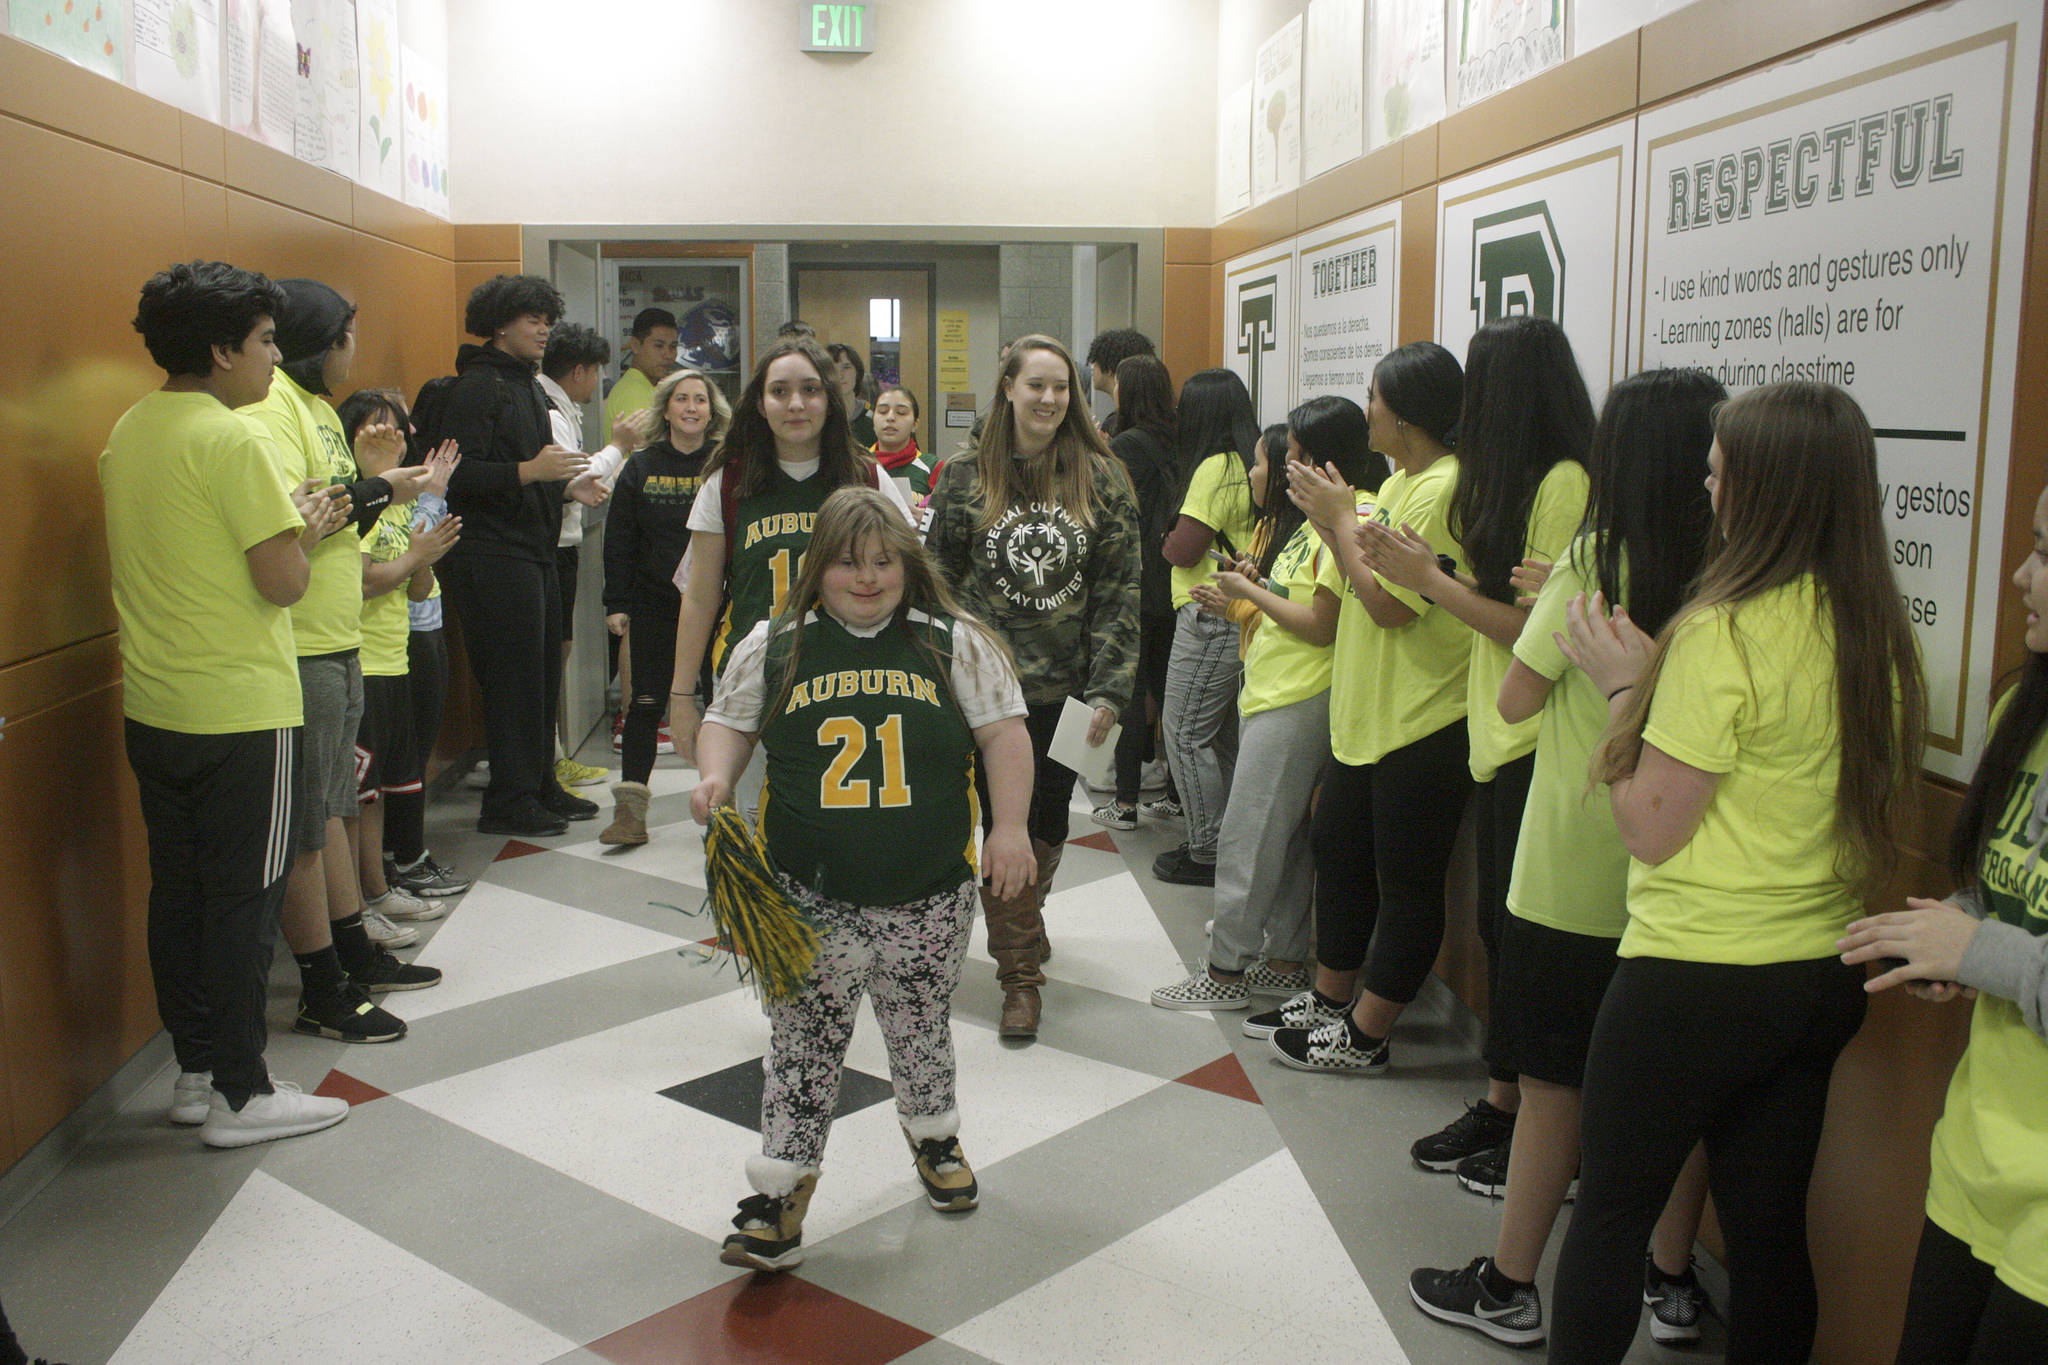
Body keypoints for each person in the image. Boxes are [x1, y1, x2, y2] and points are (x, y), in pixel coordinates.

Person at [1548, 381, 1926, 1361]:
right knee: (1765, 1239)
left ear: (1756, 491)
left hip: (1694, 976)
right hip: (1815, 975)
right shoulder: (1871, 632)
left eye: (1716, 472)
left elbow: (1649, 830)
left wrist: (1627, 685)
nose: (1703, 484)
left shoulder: (1721, 634)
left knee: (1606, 1219)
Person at [1407, 368, 1724, 1347]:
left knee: (1552, 1094)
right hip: (1682, 885)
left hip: (1567, 870)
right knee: (1676, 1104)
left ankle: (1508, 1284)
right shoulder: (1732, 574)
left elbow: (1513, 698)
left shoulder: (1594, 559)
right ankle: (1668, 1283)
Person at [691, 486, 1035, 1273]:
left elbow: (1004, 735)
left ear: (910, 565)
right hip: (809, 897)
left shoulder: (954, 641)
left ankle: (934, 1132)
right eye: (848, 564)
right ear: (819, 569)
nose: (868, 578)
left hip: (930, 890)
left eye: (885, 562)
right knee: (803, 1043)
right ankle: (782, 1190)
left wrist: (1009, 827)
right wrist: (715, 777)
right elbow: (729, 722)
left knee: (919, 1024)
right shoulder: (776, 643)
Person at [102, 260, 352, 1147]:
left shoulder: (131, 429)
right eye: (265, 342)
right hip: (243, 710)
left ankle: (197, 1070)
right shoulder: (232, 439)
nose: (275, 360)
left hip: (156, 703)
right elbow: (283, 581)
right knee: (246, 899)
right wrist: (308, 525)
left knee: (181, 893)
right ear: (221, 348)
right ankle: (245, 1095)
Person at [1363, 316, 1594, 1192]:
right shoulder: (1513, 482)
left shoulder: (1565, 482)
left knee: (1525, 942)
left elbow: (1537, 632)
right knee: (1500, 927)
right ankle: (1504, 1102)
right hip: (1498, 737)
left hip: (1540, 739)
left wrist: (1431, 582)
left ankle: (1526, 1118)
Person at [1837, 482, 2048, 1363]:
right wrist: (1952, 936)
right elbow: (2003, 900)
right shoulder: (2024, 711)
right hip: (1974, 1165)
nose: (2020, 572)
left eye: (2045, 551)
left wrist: (1984, 951)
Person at [1256, 342, 1468, 1074]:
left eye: (1374, 396)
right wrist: (1331, 520)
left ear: (1403, 412)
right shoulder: (1406, 481)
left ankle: (1368, 1034)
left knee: (1405, 883)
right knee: (1338, 851)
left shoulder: (1443, 487)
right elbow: (1355, 576)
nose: (1366, 408)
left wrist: (1341, 521)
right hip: (1366, 719)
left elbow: (1386, 608)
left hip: (1423, 720)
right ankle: (1330, 995)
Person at [241, 279, 440, 1043]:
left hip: (341, 637)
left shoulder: (322, 412)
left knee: (333, 810)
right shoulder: (273, 413)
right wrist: (375, 488)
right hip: (301, 648)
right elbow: (300, 518)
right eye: (349, 334)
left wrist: (378, 489)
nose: (353, 350)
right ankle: (322, 984)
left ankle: (353, 947)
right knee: (308, 823)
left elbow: (336, 514)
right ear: (322, 339)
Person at [926, 334, 1141, 1039]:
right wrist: (949, 661)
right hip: (987, 694)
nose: (1050, 399)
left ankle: (1023, 917)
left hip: (1073, 693)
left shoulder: (1103, 479)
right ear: (1009, 389)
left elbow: (1120, 592)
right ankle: (1019, 976)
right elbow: (939, 579)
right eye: (1036, 385)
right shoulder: (963, 476)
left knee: (1049, 823)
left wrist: (1110, 690)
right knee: (1001, 820)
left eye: (1062, 388)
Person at [1150, 396, 1372, 1010]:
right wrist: (1259, 585)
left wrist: (1250, 590)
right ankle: (1279, 960)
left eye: (1279, 459)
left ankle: (1225, 972)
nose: (1262, 472)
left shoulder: (1346, 520)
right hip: (1277, 689)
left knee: (1248, 838)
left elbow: (1321, 623)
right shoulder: (1310, 526)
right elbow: (1297, 597)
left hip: (1300, 695)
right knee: (1289, 841)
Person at [669, 338, 914, 766]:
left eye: (811, 390)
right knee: (746, 822)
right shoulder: (727, 482)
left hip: (847, 673)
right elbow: (700, 596)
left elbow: (909, 577)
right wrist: (681, 695)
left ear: (831, 400)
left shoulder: (866, 476)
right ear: (760, 405)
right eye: (780, 391)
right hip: (748, 680)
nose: (796, 404)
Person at [436, 274, 602, 837]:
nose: (543, 330)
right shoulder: (478, 386)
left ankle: (538, 782)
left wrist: (563, 486)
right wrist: (533, 473)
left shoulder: (527, 384)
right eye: (533, 319)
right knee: (512, 680)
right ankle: (508, 797)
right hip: (490, 553)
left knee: (539, 678)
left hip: (532, 548)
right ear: (501, 323)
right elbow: (455, 474)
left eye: (547, 320)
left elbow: (531, 470)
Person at [334, 390, 462, 951]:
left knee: (383, 788)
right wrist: (416, 557)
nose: (391, 440)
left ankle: (381, 889)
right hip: (359, 660)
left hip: (396, 657)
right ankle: (360, 904)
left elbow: (418, 587)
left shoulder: (403, 505)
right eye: (374, 432)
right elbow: (364, 580)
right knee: (358, 797)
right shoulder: (357, 507)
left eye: (395, 431)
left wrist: (421, 559)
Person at [600, 366, 729, 845]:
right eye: (682, 399)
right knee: (646, 703)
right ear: (666, 410)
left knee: (721, 706)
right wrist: (616, 601)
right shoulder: (641, 465)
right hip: (654, 604)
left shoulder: (726, 464)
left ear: (712, 410)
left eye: (700, 399)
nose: (692, 407)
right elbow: (619, 539)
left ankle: (725, 811)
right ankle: (631, 814)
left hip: (718, 607)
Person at [1152, 369, 1263, 886]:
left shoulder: (1214, 468)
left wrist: (1162, 536)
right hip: (1237, 615)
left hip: (1209, 613)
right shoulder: (1251, 462)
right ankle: (1224, 842)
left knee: (1185, 734)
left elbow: (1183, 549)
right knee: (1219, 739)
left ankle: (1206, 851)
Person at [538, 321, 642, 789]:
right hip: (551, 548)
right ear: (579, 370)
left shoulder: (560, 406)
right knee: (548, 660)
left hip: (561, 547)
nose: (598, 383)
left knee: (555, 656)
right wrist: (619, 447)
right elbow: (573, 479)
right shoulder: (549, 411)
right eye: (595, 372)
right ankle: (550, 760)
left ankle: (552, 756)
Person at [1092, 353, 1180, 829]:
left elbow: (1109, 510)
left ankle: (1124, 802)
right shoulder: (1178, 439)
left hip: (1136, 581)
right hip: (1174, 582)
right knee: (1170, 694)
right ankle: (1173, 794)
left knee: (1129, 689)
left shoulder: (1127, 444)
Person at [603, 306, 677, 446]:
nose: (668, 355)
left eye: (673, 347)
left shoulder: (645, 386)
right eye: (658, 346)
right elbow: (648, 456)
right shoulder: (633, 392)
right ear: (636, 345)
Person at [1083, 328, 1156, 436]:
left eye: (1096, 360)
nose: (1092, 366)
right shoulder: (1156, 418)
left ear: (1109, 368)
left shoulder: (1117, 425)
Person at [871, 384, 924, 485]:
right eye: (883, 411)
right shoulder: (858, 465)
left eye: (901, 412)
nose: (890, 417)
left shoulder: (933, 468)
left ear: (915, 424)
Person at [827, 341, 876, 448]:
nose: (840, 375)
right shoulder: (819, 418)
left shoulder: (871, 419)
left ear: (857, 372)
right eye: (833, 369)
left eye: (846, 367)